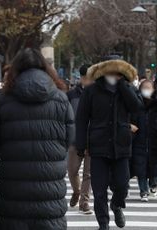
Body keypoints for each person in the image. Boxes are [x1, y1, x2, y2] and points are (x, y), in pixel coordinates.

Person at [0, 48, 75, 230]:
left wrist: (10, 153)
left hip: (14, 182)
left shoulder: (0, 99)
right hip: (50, 183)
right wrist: (53, 154)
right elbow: (68, 137)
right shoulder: (60, 98)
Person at [76, 58, 142, 230]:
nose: (114, 76)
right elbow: (82, 119)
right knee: (99, 191)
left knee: (122, 186)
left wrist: (123, 86)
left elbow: (136, 107)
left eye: (118, 73)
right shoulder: (91, 91)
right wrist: (81, 145)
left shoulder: (127, 89)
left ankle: (117, 205)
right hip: (98, 147)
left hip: (121, 146)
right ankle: (103, 224)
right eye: (111, 72)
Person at [131, 79, 157, 202]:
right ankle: (143, 191)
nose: (146, 90)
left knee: (156, 167)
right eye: (144, 87)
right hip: (139, 140)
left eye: (149, 87)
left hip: (155, 141)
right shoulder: (136, 104)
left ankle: (153, 184)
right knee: (140, 168)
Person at [67, 64, 93, 214]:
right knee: (72, 170)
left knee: (88, 174)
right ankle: (76, 191)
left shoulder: (97, 95)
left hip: (92, 139)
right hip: (75, 139)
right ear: (82, 78)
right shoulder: (71, 95)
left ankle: (84, 202)